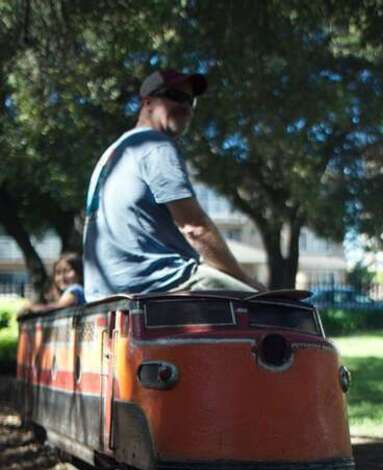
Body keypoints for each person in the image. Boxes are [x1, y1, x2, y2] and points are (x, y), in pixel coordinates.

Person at [83, 68, 264, 302]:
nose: (186, 107)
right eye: (175, 97)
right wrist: (245, 281)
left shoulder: (113, 153)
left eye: (191, 101)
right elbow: (195, 228)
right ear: (147, 102)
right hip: (157, 283)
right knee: (273, 307)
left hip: (103, 292)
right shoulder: (155, 145)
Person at [20, 252, 85, 315]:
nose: (62, 277)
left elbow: (60, 306)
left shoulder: (75, 289)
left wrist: (34, 308)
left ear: (79, 272)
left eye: (67, 271)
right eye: (58, 273)